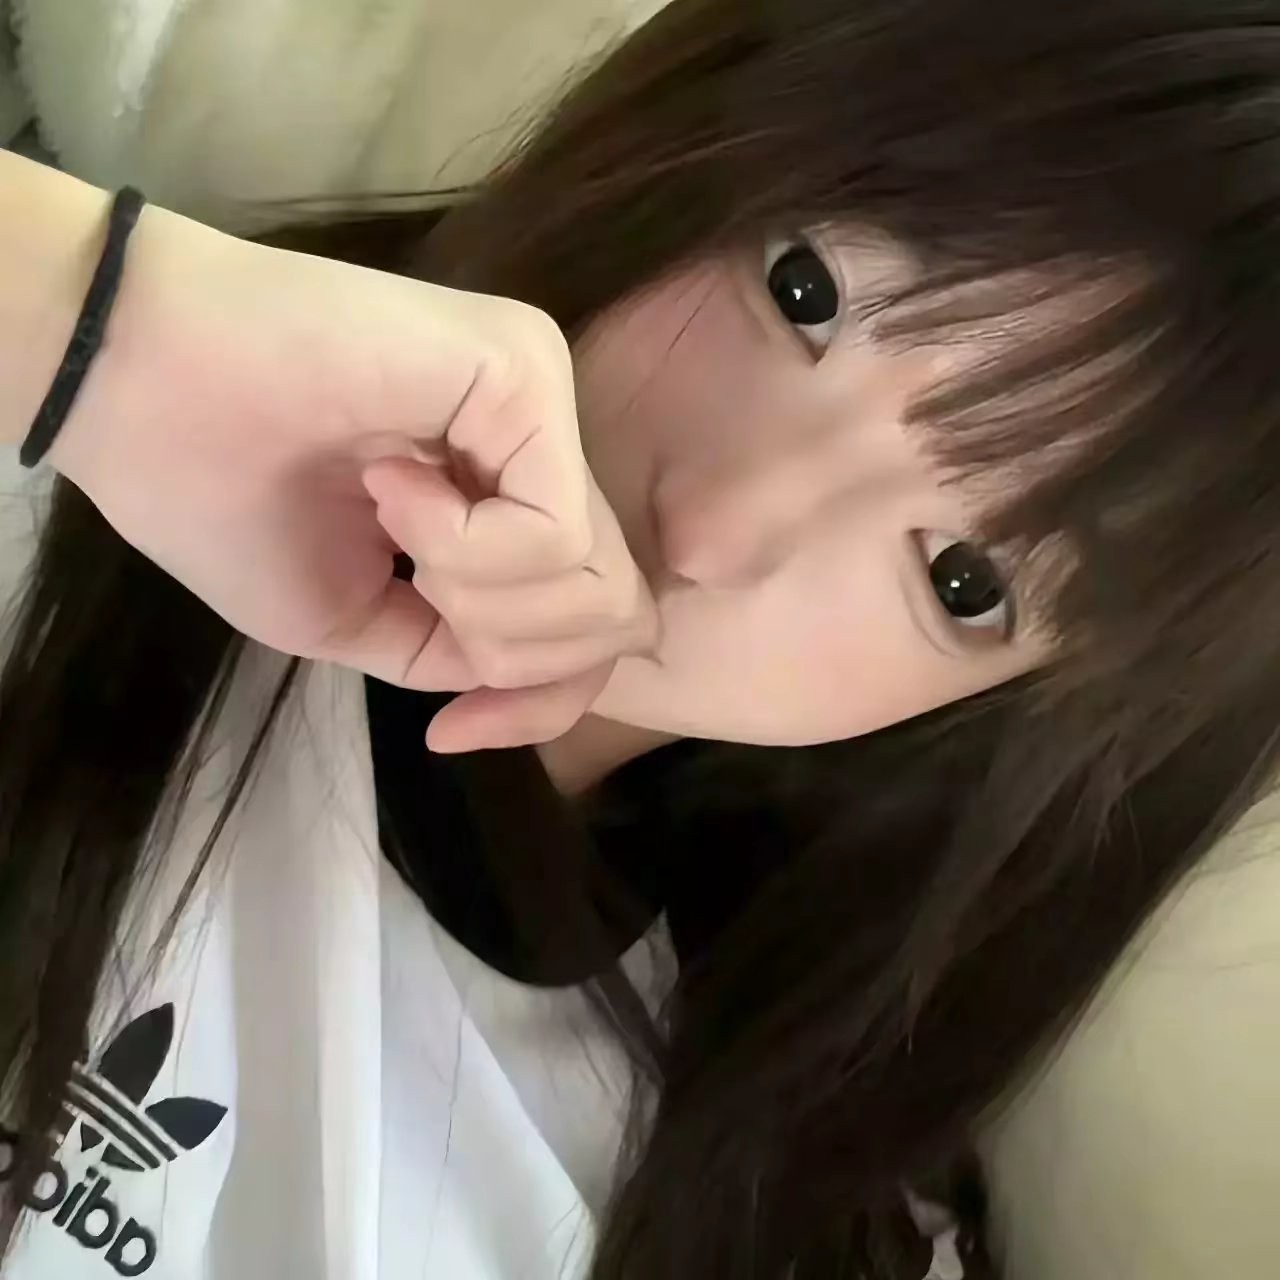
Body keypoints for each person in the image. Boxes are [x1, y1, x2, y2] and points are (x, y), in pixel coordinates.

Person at [4, 0, 1280, 1276]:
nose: (717, 527)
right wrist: (98, 331)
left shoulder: (773, 1187)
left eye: (962, 580)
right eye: (806, 291)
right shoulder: (91, 432)